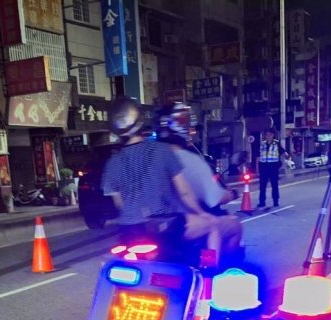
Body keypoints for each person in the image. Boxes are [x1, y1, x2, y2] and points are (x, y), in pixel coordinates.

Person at [101, 96, 218, 264]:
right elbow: (185, 193)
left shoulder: (112, 163)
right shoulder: (162, 151)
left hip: (130, 231)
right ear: (140, 121)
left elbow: (119, 204)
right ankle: (208, 278)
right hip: (166, 227)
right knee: (213, 226)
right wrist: (201, 213)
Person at [155, 102, 243, 263]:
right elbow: (213, 197)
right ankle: (216, 272)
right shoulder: (190, 160)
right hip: (180, 225)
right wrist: (232, 194)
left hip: (149, 226)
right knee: (233, 227)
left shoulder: (148, 159)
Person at [256, 128, 284, 209]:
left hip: (273, 168)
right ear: (265, 136)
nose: (268, 136)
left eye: (270, 135)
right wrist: (257, 169)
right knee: (262, 186)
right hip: (263, 167)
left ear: (273, 135)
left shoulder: (277, 144)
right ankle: (262, 202)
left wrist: (288, 156)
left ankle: (275, 201)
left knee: (274, 185)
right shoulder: (261, 144)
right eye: (267, 135)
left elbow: (283, 153)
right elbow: (257, 157)